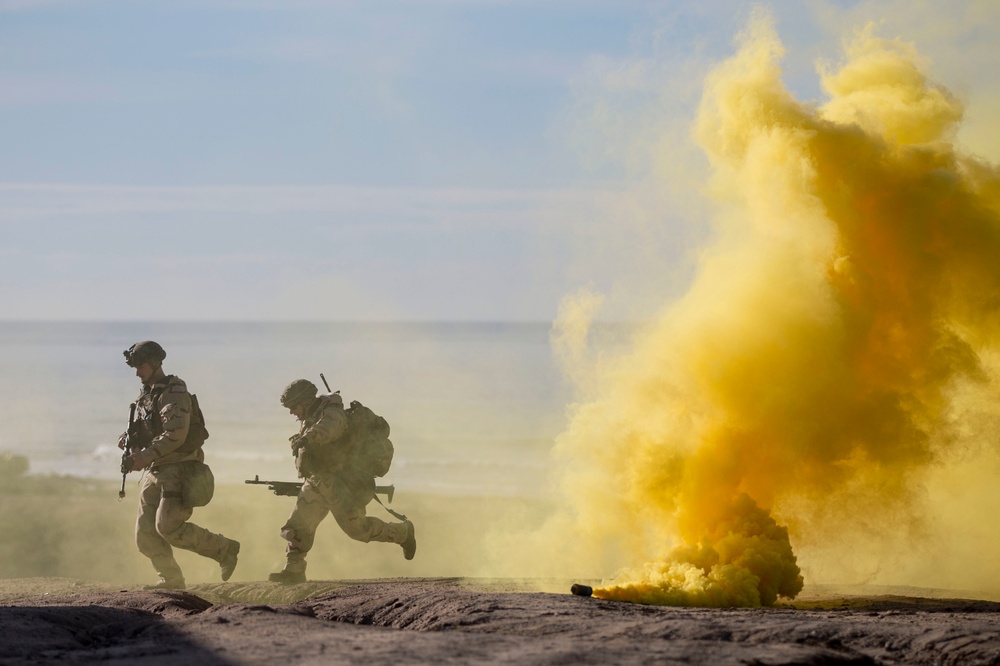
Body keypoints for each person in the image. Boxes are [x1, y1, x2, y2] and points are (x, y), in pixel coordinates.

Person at [119, 340, 240, 590]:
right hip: (156, 470)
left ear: (154, 364)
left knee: (168, 527)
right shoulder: (147, 394)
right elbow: (146, 427)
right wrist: (127, 440)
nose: (137, 372)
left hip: (179, 469)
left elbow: (176, 434)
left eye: (141, 366)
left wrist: (144, 456)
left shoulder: (174, 392)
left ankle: (224, 548)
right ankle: (171, 579)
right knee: (145, 535)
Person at [269, 379, 416, 584]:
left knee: (358, 530)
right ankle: (294, 569)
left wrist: (307, 438)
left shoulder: (332, 412)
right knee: (299, 525)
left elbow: (330, 429)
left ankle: (402, 533)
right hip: (316, 481)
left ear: (305, 400)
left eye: (294, 406)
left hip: (340, 485)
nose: (292, 412)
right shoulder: (310, 416)